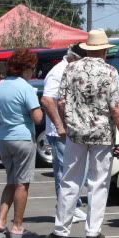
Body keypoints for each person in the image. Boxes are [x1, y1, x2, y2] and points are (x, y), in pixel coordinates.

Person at [46, 30, 119, 238]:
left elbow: (61, 102)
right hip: (101, 134)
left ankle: (61, 230)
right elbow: (116, 108)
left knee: (69, 180)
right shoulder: (110, 71)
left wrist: (67, 124)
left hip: (76, 133)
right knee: (98, 182)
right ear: (104, 50)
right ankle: (93, 231)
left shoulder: (71, 69)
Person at [0, 49, 43, 238]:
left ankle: (0, 222)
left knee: (11, 181)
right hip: (23, 138)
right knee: (22, 184)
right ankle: (17, 227)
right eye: (32, 68)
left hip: (4, 138)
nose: (33, 72)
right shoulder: (26, 88)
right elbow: (37, 118)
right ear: (25, 68)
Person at [39, 44, 86, 222]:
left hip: (68, 129)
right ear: (73, 57)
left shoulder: (69, 70)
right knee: (66, 171)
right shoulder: (58, 72)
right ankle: (66, 209)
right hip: (60, 131)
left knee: (70, 169)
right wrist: (59, 126)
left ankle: (71, 206)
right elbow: (47, 99)